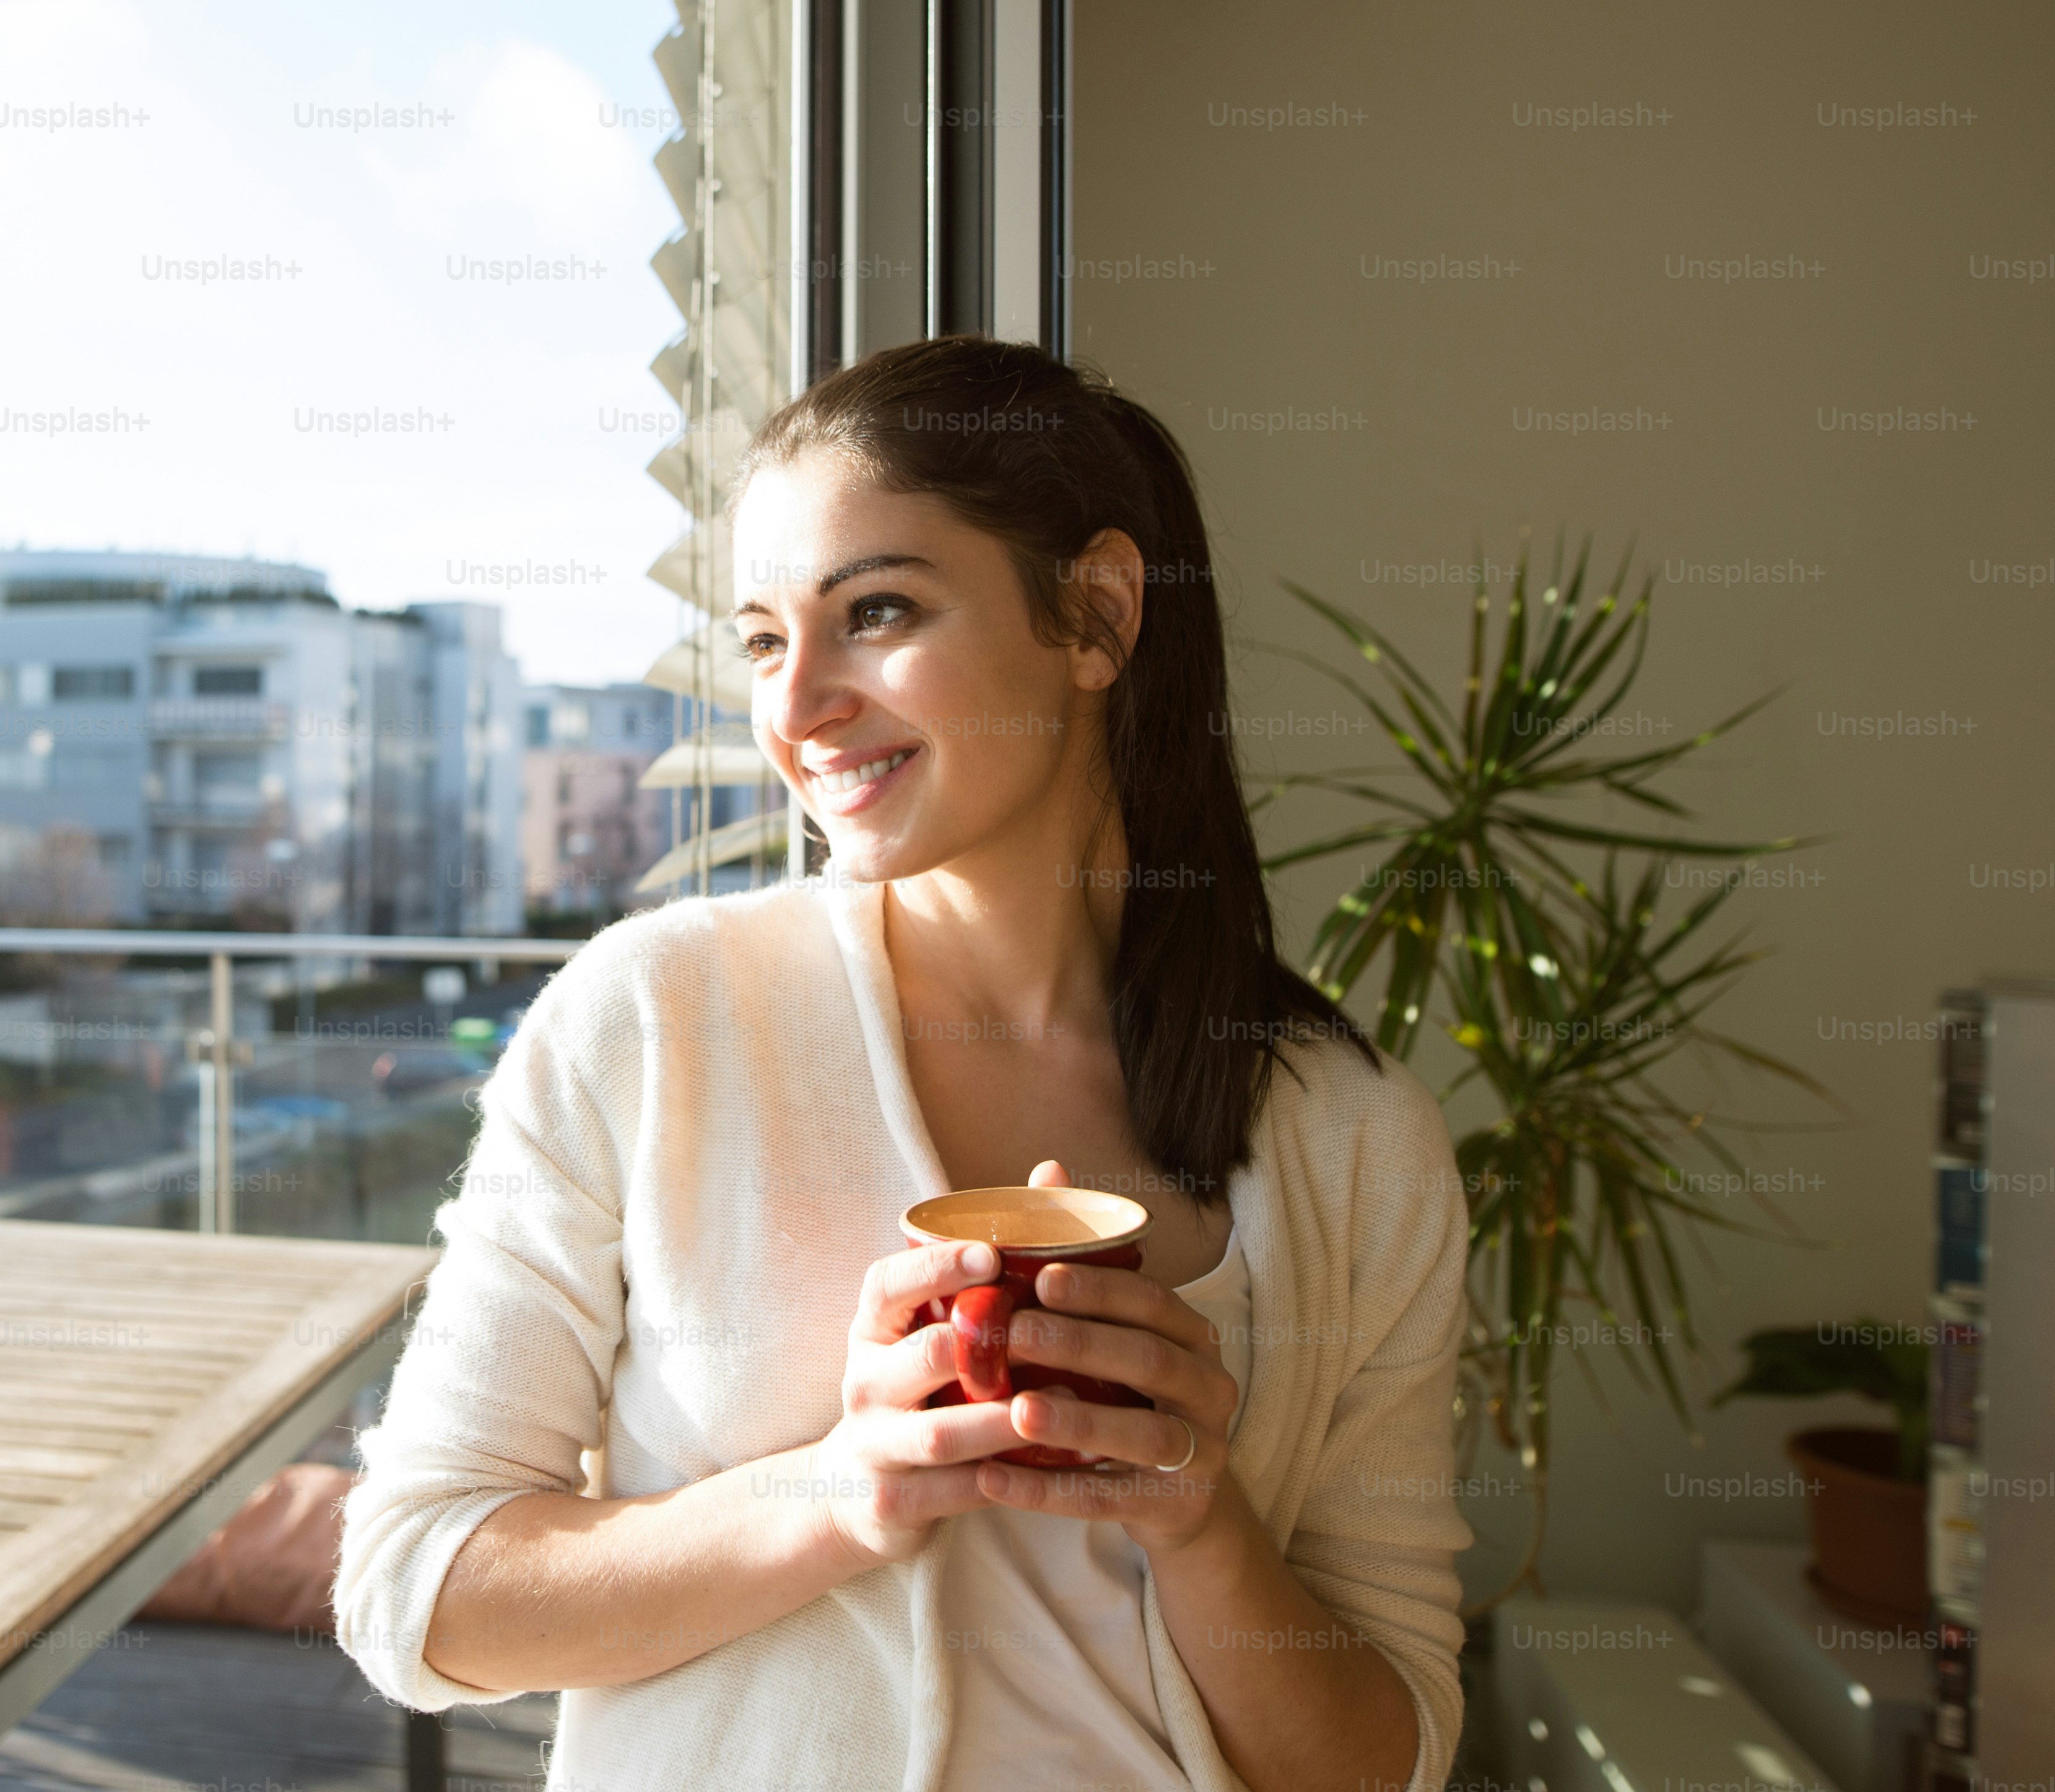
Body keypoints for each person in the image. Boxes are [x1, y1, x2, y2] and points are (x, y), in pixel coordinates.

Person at [335, 336, 1472, 1792]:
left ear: (1097, 613)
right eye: (759, 638)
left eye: (873, 612)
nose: (795, 706)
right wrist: (837, 1490)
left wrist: (1207, 1520)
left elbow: (1388, 1761)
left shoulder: (1351, 1138)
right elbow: (414, 1591)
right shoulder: (658, 1020)